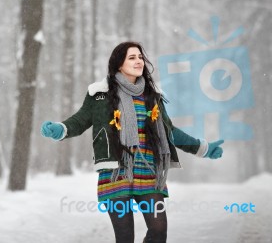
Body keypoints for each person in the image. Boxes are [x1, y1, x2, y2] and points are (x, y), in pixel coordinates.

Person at [40, 41, 224, 243]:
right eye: (132, 57)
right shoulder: (100, 94)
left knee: (159, 230)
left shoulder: (153, 96)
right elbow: (80, 120)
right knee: (125, 237)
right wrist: (60, 129)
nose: (139, 61)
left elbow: (169, 132)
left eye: (140, 57)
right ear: (119, 63)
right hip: (116, 172)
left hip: (149, 172)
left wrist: (202, 148)